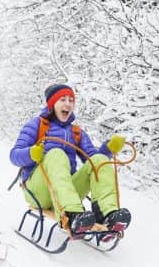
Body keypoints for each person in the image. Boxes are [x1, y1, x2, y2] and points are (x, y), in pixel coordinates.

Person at [10, 83, 131, 237]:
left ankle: (107, 214)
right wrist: (31, 153)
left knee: (99, 160)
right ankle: (71, 215)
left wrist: (108, 150)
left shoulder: (76, 132)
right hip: (39, 191)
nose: (68, 104)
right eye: (62, 99)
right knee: (56, 154)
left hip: (65, 193)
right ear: (52, 103)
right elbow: (14, 155)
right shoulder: (37, 125)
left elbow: (92, 161)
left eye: (71, 100)